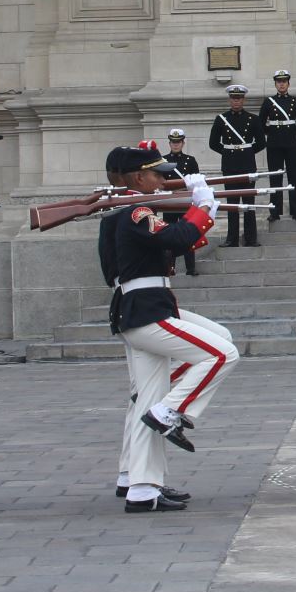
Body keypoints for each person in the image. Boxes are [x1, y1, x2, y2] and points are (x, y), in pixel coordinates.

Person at [112, 147, 240, 512]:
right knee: (222, 354)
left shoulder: (139, 211)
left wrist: (203, 211)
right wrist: (201, 206)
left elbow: (176, 240)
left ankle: (142, 488)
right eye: (158, 175)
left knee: (149, 402)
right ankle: (172, 411)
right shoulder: (138, 210)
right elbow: (174, 239)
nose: (164, 180)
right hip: (147, 312)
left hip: (147, 308)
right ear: (140, 179)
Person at [209, 85, 264, 247]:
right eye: (233, 98)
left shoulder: (253, 119)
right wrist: (227, 152)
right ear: (229, 100)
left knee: (249, 201)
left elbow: (261, 142)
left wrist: (247, 151)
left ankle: (250, 238)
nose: (236, 101)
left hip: (247, 164)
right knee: (232, 203)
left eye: (239, 98)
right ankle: (231, 238)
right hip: (230, 165)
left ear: (243, 100)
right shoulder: (221, 119)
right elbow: (213, 143)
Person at [262, 70, 296, 222]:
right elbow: (262, 125)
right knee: (275, 178)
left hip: (292, 144)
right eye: (279, 81)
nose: (281, 84)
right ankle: (275, 211)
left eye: (284, 81)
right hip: (274, 144)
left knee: (294, 177)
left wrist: (291, 134)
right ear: (275, 84)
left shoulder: (295, 102)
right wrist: (273, 132)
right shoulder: (269, 102)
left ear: (288, 83)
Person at [163, 129, 202, 276]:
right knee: (169, 236)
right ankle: (170, 267)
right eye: (173, 142)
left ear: (183, 143)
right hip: (170, 201)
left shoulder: (190, 160)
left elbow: (197, 181)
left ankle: (190, 268)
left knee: (187, 234)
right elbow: (160, 181)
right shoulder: (163, 160)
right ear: (169, 143)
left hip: (186, 200)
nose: (175, 145)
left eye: (178, 142)